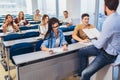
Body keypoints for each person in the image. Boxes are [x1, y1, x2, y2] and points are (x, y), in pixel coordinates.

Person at [78, 0, 120, 80]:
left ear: (105, 6)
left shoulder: (108, 22)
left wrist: (92, 39)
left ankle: (83, 74)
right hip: (106, 48)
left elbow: (99, 44)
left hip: (108, 55)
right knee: (81, 52)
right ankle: (81, 73)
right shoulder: (118, 18)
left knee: (85, 74)